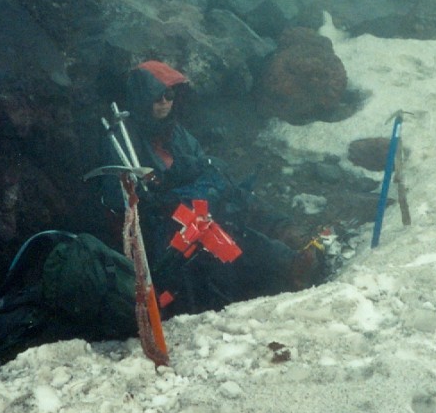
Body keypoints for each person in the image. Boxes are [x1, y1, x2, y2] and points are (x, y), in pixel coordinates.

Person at [100, 60, 324, 317]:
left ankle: (287, 234)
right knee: (219, 230)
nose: (164, 102)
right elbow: (119, 198)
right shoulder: (124, 139)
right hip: (162, 223)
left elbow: (201, 166)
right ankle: (286, 264)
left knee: (235, 198)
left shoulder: (176, 132)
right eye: (156, 97)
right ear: (141, 98)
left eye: (169, 95)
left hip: (193, 205)